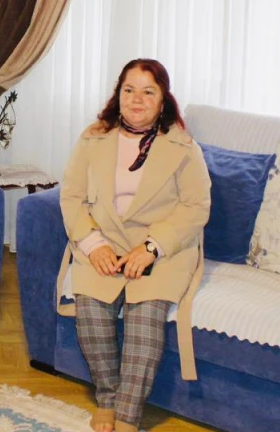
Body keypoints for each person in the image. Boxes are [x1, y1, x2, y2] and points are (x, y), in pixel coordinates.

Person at [58, 59, 211, 432]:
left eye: (148, 91)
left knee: (145, 320)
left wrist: (152, 247)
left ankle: (127, 416)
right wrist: (93, 244)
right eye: (129, 90)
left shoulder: (182, 145)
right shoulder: (93, 137)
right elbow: (72, 197)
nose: (137, 99)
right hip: (103, 241)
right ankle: (108, 399)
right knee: (92, 314)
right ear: (118, 94)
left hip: (161, 248)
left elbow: (196, 206)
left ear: (163, 99)